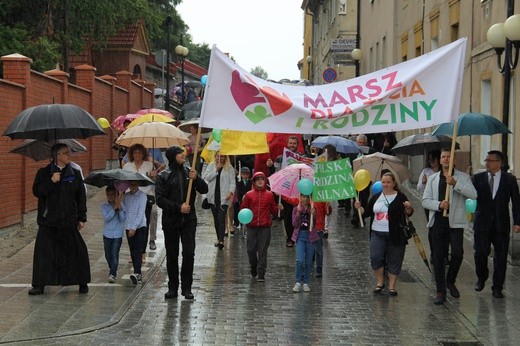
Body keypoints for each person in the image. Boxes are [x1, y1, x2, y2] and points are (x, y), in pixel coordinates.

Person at [29, 143, 90, 295]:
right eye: (65, 153)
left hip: (68, 221)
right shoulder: (43, 173)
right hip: (48, 221)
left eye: (69, 152)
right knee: (44, 254)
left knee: (77, 252)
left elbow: (80, 197)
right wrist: (51, 181)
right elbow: (37, 191)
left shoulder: (74, 174)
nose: (69, 155)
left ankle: (82, 281)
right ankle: (39, 284)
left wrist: (81, 217)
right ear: (57, 156)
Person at [422, 148, 477, 305]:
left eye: (449, 157)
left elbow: (474, 194)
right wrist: (439, 204)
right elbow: (425, 201)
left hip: (455, 222)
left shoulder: (463, 177)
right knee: (438, 257)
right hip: (438, 221)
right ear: (440, 160)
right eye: (443, 157)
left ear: (453, 160)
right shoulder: (432, 179)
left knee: (458, 253)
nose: (446, 159)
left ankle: (450, 280)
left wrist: (456, 184)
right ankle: (440, 291)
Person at [156, 146, 208, 299]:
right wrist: (178, 208)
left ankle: (187, 288)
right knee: (172, 254)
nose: (183, 155)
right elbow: (160, 200)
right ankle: (172, 287)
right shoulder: (163, 176)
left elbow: (204, 189)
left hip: (188, 221)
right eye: (179, 153)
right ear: (173, 156)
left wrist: (197, 178)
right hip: (171, 221)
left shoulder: (189, 172)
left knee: (189, 253)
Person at [354, 172, 414, 297]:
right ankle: (380, 282)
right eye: (383, 182)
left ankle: (392, 286)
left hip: (396, 234)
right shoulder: (376, 197)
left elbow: (409, 213)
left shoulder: (400, 196)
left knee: (395, 259)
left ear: (393, 184)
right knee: (376, 258)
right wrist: (359, 208)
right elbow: (367, 212)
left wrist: (408, 208)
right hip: (377, 233)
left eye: (388, 182)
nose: (385, 184)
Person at [473, 150, 520, 298]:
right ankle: (482, 276)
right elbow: (470, 196)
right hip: (482, 224)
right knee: (480, 253)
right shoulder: (478, 178)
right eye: (486, 160)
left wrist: (517, 222)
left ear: (499, 163)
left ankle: (497, 287)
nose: (487, 163)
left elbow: (516, 202)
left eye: (490, 160)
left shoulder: (509, 180)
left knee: (500, 257)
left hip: (501, 224)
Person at [240, 172, 283, 282]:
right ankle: (253, 268)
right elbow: (243, 209)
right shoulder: (249, 195)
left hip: (265, 227)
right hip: (252, 226)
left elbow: (273, 211)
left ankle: (261, 273)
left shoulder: (269, 195)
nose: (260, 181)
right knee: (251, 250)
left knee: (263, 250)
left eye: (262, 179)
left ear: (265, 181)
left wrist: (278, 209)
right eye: (257, 179)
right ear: (254, 181)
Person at [122, 144, 158, 259]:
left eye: (140, 153)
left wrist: (153, 177)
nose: (137, 155)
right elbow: (123, 182)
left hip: (145, 197)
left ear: (144, 154)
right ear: (132, 154)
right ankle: (133, 253)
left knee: (144, 225)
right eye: (135, 153)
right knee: (130, 224)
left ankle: (142, 252)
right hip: (130, 197)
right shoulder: (127, 166)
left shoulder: (149, 165)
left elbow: (153, 182)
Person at [202, 151, 236, 249]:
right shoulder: (211, 166)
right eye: (218, 156)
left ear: (225, 158)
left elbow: (232, 182)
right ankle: (218, 238)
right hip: (213, 197)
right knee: (216, 219)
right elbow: (206, 177)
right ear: (215, 156)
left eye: (222, 157)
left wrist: (230, 192)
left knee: (221, 218)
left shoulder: (229, 168)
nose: (220, 158)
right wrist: (216, 170)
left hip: (224, 198)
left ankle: (221, 240)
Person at [291, 194, 318, 293]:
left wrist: (313, 214)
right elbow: (294, 224)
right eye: (303, 197)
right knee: (300, 260)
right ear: (300, 197)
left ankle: (306, 282)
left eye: (307, 197)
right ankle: (298, 282)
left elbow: (314, 224)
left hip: (310, 236)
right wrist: (298, 213)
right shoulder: (296, 209)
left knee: (308, 261)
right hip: (300, 236)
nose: (305, 199)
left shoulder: (313, 208)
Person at [124, 180, 147, 285]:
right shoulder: (126, 196)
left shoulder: (142, 196)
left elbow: (140, 213)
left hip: (139, 227)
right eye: (131, 183)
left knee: (138, 250)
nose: (133, 186)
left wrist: (134, 227)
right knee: (132, 250)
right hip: (128, 227)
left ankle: (137, 273)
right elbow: (124, 211)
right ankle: (137, 273)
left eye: (135, 183)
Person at [101, 184, 126, 283]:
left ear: (116, 195)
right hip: (107, 233)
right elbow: (106, 218)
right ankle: (113, 268)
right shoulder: (104, 206)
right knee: (108, 255)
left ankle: (113, 274)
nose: (110, 197)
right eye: (108, 195)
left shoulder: (121, 205)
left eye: (112, 195)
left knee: (114, 254)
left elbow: (123, 219)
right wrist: (113, 209)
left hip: (117, 234)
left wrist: (119, 209)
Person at [234, 166, 252, 232]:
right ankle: (240, 223)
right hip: (241, 199)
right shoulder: (239, 183)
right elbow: (239, 191)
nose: (245, 176)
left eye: (247, 174)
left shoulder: (251, 182)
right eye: (244, 174)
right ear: (241, 175)